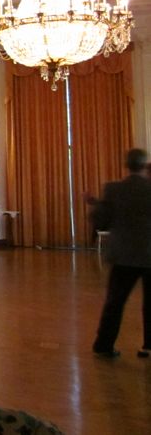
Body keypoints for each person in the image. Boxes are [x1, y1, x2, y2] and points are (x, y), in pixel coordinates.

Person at [90, 148, 151, 359]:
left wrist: (95, 206)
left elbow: (102, 221)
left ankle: (104, 344)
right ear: (144, 165)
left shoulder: (114, 189)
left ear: (127, 165)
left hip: (123, 255)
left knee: (114, 302)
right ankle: (148, 346)